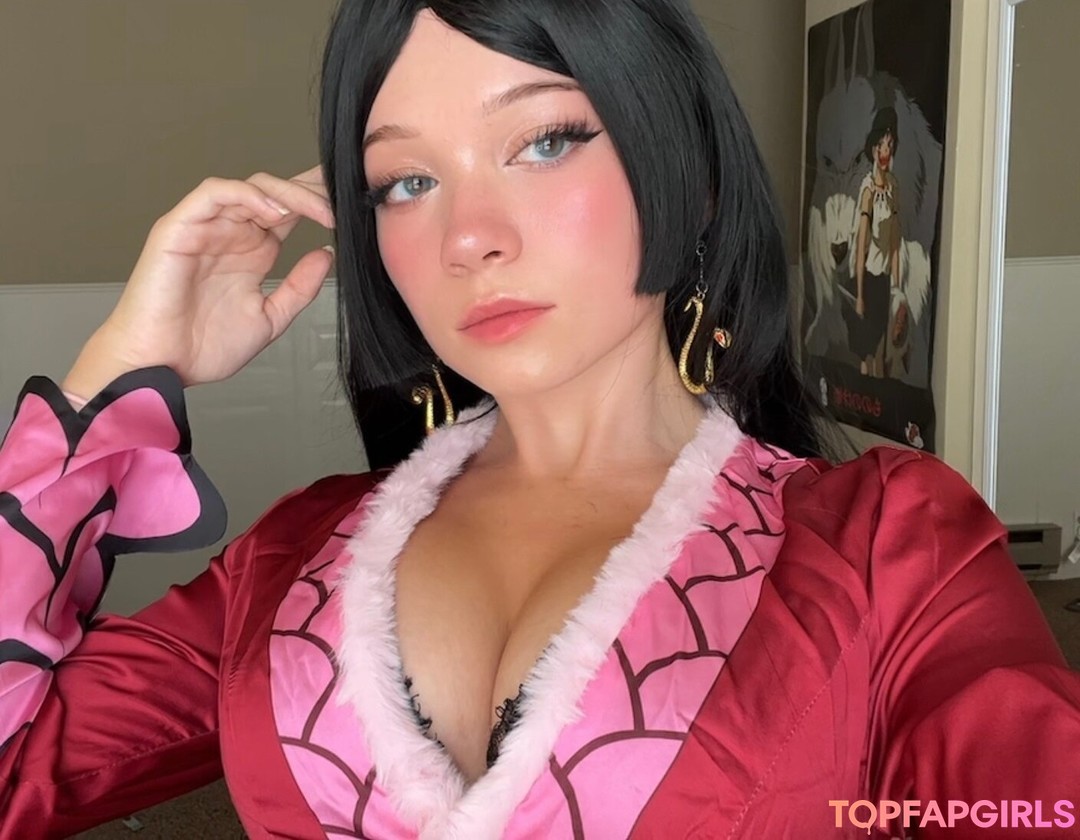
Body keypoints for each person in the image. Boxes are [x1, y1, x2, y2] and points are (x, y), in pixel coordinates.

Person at [2, 2, 1078, 838]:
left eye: (547, 141)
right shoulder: (291, 562)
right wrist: (118, 376)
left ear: (691, 174)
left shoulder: (886, 549)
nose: (469, 235)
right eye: (406, 181)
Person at [847, 106, 902, 378]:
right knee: (866, 353)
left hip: (884, 281)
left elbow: (895, 243)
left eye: (889, 146)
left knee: (882, 351)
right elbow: (861, 246)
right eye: (881, 145)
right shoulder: (868, 190)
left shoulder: (893, 188)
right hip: (867, 278)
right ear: (873, 149)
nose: (884, 152)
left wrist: (897, 289)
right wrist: (859, 295)